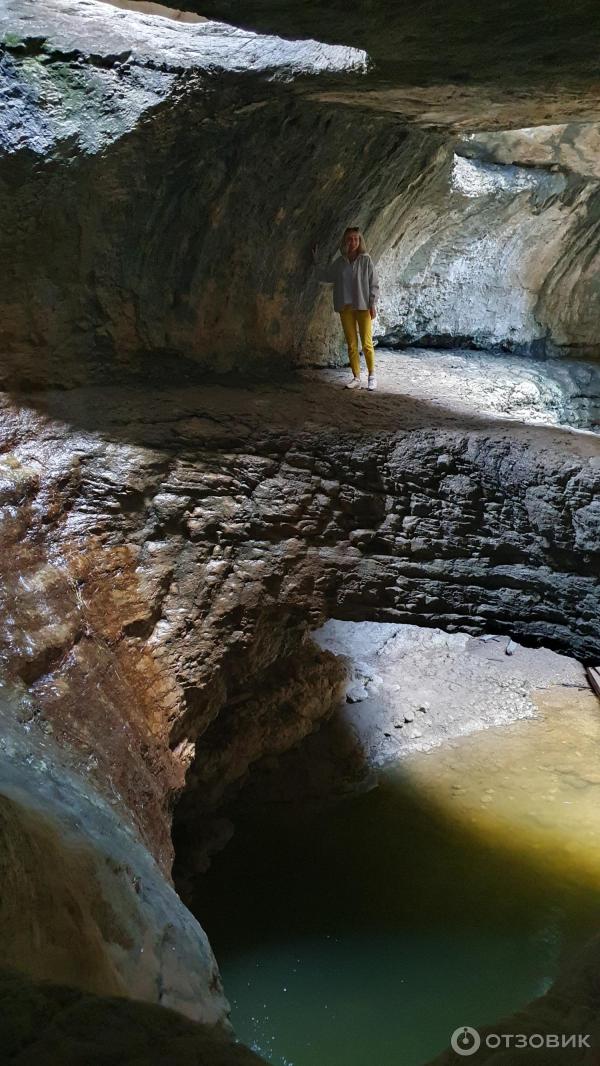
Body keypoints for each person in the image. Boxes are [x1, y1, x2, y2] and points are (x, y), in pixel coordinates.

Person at [312, 226, 379, 390]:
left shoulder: (366, 260)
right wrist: (315, 262)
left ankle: (372, 376)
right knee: (351, 344)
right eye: (350, 239)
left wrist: (373, 304)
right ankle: (356, 377)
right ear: (345, 241)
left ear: (360, 240)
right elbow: (327, 276)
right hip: (346, 306)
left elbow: (374, 284)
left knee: (367, 343)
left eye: (356, 238)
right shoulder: (340, 262)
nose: (353, 242)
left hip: (363, 306)